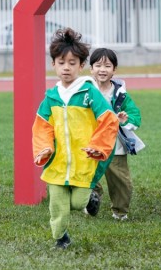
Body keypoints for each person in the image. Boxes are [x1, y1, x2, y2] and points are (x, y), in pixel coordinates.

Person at [32, 28, 119, 249]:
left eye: (72, 63)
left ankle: (90, 199)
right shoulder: (51, 97)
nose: (66, 68)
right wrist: (44, 148)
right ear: (53, 64)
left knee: (77, 202)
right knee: (57, 204)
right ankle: (61, 238)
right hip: (58, 162)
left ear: (81, 66)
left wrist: (98, 146)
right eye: (61, 63)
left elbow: (109, 119)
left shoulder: (90, 93)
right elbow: (41, 126)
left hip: (84, 161)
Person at [84, 47, 145, 221]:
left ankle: (120, 211)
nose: (102, 70)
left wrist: (124, 120)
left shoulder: (120, 95)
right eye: (98, 65)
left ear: (114, 70)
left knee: (120, 181)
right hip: (90, 142)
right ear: (91, 69)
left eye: (107, 66)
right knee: (86, 175)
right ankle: (91, 199)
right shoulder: (85, 91)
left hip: (114, 145)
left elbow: (135, 115)